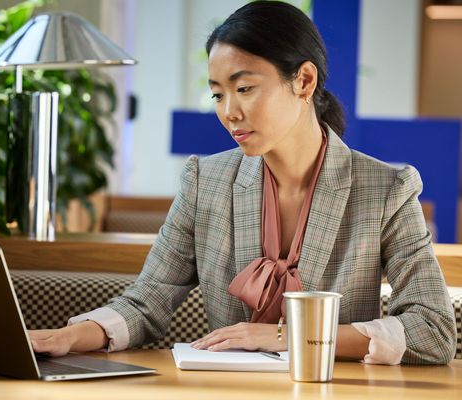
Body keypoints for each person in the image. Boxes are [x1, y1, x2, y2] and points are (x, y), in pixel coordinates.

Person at [29, 1, 456, 365]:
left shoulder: (387, 190)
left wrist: (288, 338)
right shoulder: (206, 181)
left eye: (245, 88)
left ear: (304, 81)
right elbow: (147, 302)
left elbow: (434, 330)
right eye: (217, 94)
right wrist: (66, 337)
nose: (229, 111)